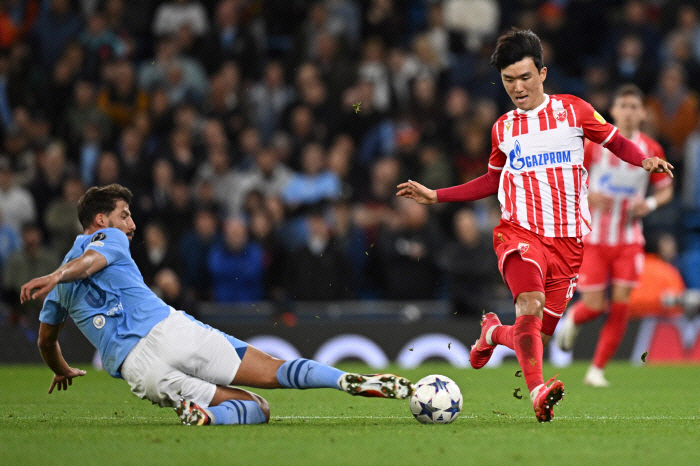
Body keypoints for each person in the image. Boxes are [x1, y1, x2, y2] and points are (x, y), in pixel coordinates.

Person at [396, 29, 673, 422]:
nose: (518, 87)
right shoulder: (503, 129)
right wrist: (437, 195)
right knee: (530, 304)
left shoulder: (574, 111)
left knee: (536, 337)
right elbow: (492, 181)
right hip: (520, 233)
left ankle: (493, 332)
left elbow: (613, 140)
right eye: (509, 80)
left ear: (542, 73)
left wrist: (642, 159)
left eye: (525, 77)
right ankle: (538, 393)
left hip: (569, 244)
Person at [20, 184, 414, 426]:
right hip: (170, 332)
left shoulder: (57, 289)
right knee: (273, 374)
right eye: (125, 215)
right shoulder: (109, 240)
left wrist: (62, 368)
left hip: (140, 371)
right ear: (102, 220)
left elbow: (45, 341)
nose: (132, 224)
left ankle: (207, 416)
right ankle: (345, 380)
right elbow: (91, 262)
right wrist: (58, 274)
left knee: (256, 409)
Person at [554, 84, 673, 387]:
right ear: (614, 111)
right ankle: (573, 320)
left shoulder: (652, 149)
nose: (630, 112)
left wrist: (647, 204)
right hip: (594, 240)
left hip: (629, 239)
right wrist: (588, 196)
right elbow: (569, 179)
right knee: (594, 306)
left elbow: (665, 189)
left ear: (644, 113)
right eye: (625, 106)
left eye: (636, 107)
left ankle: (596, 370)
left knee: (621, 305)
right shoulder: (595, 146)